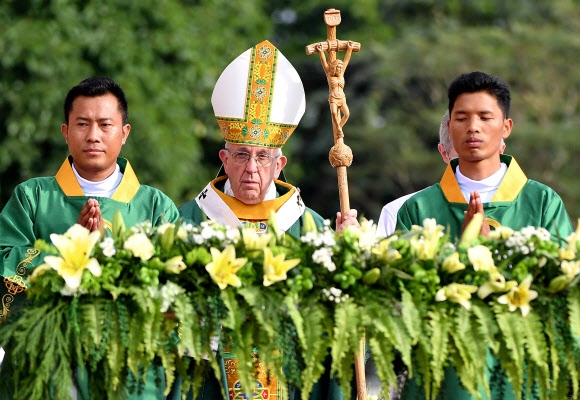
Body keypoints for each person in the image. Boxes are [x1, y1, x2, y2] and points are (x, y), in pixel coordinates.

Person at [178, 40, 358, 400]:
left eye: (263, 157)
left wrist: (348, 256)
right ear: (224, 159)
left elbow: (336, 318)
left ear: (280, 166)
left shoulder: (312, 229)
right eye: (242, 155)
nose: (252, 168)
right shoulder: (186, 223)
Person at [397, 71, 574, 399]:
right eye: (461, 118)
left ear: (506, 127)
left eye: (485, 117)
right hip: (445, 370)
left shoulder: (542, 202)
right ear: (449, 127)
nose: (473, 127)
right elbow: (403, 295)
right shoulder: (419, 208)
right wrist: (462, 252)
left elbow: (565, 287)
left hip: (522, 365)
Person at [0, 76, 180, 398]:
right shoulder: (32, 197)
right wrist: (71, 248)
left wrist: (110, 256)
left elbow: (177, 285)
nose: (93, 135)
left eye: (105, 125)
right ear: (65, 132)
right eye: (82, 124)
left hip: (128, 366)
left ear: (124, 133)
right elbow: (5, 262)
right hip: (46, 362)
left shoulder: (155, 206)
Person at [376, 111, 506, 238]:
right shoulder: (401, 211)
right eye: (464, 158)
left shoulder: (525, 200)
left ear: (501, 151)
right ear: (444, 153)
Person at [315, 41, 354, 141]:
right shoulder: (329, 75)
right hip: (333, 98)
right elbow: (324, 63)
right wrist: (321, 52)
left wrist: (349, 49)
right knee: (334, 114)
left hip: (342, 98)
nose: (340, 69)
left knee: (347, 114)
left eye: (341, 68)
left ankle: (339, 128)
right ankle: (339, 129)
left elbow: (346, 60)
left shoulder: (341, 75)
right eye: (339, 68)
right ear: (334, 68)